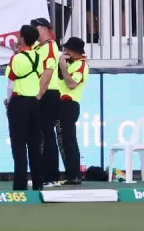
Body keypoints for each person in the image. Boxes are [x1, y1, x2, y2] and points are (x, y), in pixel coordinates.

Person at [4, 24, 44, 191]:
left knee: (18, 144)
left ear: (22, 38)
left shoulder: (17, 59)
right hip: (34, 103)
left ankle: (20, 185)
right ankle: (38, 183)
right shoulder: (37, 56)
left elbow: (10, 82)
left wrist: (8, 100)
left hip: (19, 102)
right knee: (35, 144)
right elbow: (39, 76)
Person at [29, 17, 63, 187]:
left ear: (43, 28)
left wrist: (38, 96)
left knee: (48, 135)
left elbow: (47, 75)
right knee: (41, 136)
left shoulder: (50, 46)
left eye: (34, 27)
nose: (33, 30)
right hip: (41, 93)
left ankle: (51, 176)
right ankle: (43, 175)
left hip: (47, 94)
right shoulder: (39, 47)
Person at [57, 37, 88, 185]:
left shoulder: (81, 65)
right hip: (62, 104)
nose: (64, 52)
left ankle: (74, 174)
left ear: (74, 52)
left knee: (68, 140)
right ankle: (70, 173)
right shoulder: (72, 63)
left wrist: (63, 68)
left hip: (69, 104)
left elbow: (71, 84)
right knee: (63, 140)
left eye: (67, 50)